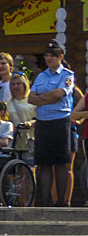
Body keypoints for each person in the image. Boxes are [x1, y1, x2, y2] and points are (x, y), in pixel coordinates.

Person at [29, 40, 76, 206]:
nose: (49, 58)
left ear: (61, 57)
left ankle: (62, 202)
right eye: (47, 55)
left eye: (53, 55)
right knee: (44, 163)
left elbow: (59, 94)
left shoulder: (67, 75)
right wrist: (46, 99)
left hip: (60, 122)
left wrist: (41, 99)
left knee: (61, 163)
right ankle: (46, 201)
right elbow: (30, 97)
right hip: (43, 122)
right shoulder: (41, 76)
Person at [6, 73, 36, 164]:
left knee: (30, 169)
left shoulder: (32, 101)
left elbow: (39, 118)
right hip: (15, 142)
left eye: (18, 84)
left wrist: (30, 123)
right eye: (13, 84)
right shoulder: (9, 104)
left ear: (24, 85)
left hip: (30, 141)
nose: (16, 87)